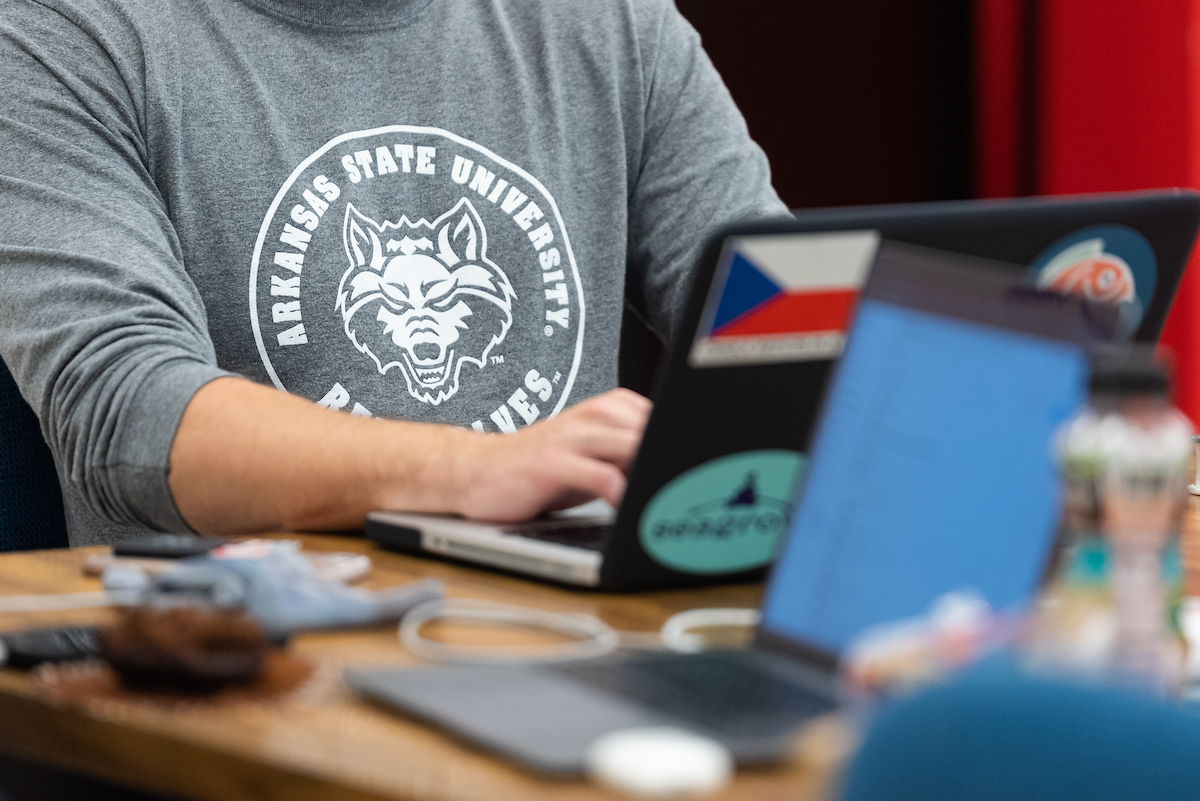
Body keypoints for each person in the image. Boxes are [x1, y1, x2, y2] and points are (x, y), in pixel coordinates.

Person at [0, 0, 787, 546]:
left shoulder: (616, 24)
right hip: (251, 679)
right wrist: (470, 468)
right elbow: (126, 413)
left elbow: (783, 327)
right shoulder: (58, 33)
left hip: (586, 642)